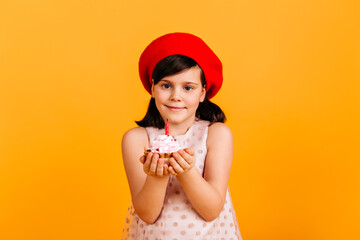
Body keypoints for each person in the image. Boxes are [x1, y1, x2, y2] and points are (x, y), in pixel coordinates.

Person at [121, 32, 242, 240]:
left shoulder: (216, 134)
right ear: (152, 87)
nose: (176, 96)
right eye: (166, 86)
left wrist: (186, 171)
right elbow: (147, 214)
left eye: (188, 87)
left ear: (203, 92)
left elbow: (212, 210)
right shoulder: (136, 139)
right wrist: (157, 176)